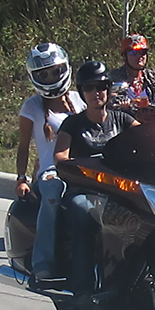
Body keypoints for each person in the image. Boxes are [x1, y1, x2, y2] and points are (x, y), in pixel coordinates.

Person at [54, 60, 140, 296]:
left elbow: (147, 139)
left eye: (101, 86)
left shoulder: (122, 119)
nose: (96, 93)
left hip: (119, 190)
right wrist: (79, 166)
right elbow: (60, 156)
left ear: (109, 89)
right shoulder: (73, 124)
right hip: (83, 190)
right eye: (89, 88)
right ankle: (83, 289)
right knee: (85, 213)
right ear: (82, 92)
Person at [17, 43, 86, 281]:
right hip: (51, 172)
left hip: (84, 169)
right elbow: (24, 146)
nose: (51, 77)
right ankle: (43, 263)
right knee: (53, 193)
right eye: (44, 74)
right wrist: (22, 178)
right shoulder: (32, 107)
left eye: (56, 71)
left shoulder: (79, 100)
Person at [108, 33, 155, 112]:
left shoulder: (152, 77)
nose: (139, 56)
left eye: (143, 52)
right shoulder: (114, 77)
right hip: (124, 121)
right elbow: (109, 101)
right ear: (125, 56)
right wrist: (125, 105)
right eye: (133, 52)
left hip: (151, 122)